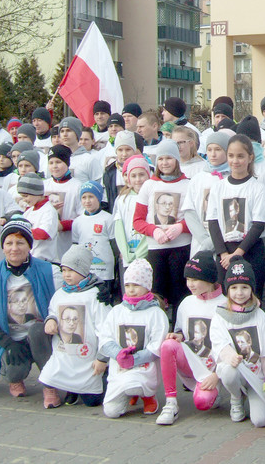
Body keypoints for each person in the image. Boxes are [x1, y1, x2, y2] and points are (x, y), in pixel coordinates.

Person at [0, 217, 55, 398]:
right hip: (12, 338)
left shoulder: (50, 270)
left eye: (20, 242)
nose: (14, 248)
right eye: (9, 243)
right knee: (13, 371)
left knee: (36, 330)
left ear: (29, 246)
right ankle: (15, 380)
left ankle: (50, 382)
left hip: (42, 335)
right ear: (2, 247)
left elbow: (74, 287)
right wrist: (7, 343)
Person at [34, 246, 110, 409]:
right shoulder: (60, 293)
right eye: (64, 270)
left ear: (83, 270)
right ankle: (71, 389)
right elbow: (53, 310)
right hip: (65, 353)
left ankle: (105, 378)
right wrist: (51, 320)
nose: (66, 275)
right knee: (49, 376)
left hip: (88, 358)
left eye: (72, 270)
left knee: (92, 402)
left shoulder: (95, 295)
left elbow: (106, 328)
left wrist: (102, 357)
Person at [156, 251, 226, 425]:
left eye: (195, 279)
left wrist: (217, 374)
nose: (190, 284)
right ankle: (171, 403)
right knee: (168, 345)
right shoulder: (186, 302)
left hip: (212, 369)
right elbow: (182, 331)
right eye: (188, 279)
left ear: (209, 279)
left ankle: (216, 392)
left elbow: (231, 345)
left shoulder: (225, 304)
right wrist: (177, 336)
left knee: (202, 403)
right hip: (190, 361)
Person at [97, 258, 169, 418]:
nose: (131, 290)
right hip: (120, 367)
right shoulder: (117, 311)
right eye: (128, 285)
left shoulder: (156, 313)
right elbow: (105, 338)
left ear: (147, 286)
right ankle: (130, 393)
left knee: (134, 385)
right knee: (111, 411)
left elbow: (156, 346)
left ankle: (147, 395)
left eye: (136, 285)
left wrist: (134, 359)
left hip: (143, 366)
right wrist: (118, 354)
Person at [210, 259, 265, 427]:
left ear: (252, 289)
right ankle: (236, 398)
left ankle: (252, 395)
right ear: (227, 290)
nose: (239, 293)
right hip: (235, 369)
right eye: (234, 288)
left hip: (256, 375)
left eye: (244, 287)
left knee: (260, 421)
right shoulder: (220, 315)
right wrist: (231, 356)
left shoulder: (259, 315)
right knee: (229, 372)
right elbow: (219, 343)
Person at [207, 135, 265, 297]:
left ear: (250, 158)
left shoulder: (258, 188)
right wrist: (223, 254)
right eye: (231, 156)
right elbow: (213, 222)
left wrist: (237, 254)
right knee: (226, 298)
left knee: (251, 298)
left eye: (240, 156)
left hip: (250, 250)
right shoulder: (218, 187)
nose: (235, 160)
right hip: (225, 252)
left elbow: (258, 225)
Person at [133, 139, 191, 310]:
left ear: (177, 160)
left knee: (180, 293)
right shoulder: (149, 185)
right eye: (161, 159)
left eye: (169, 158)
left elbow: (196, 219)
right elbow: (137, 221)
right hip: (156, 249)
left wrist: (181, 227)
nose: (165, 163)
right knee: (157, 294)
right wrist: (153, 230)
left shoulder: (188, 185)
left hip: (181, 247)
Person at [72, 181, 118, 294]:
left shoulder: (108, 218)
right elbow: (75, 246)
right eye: (84, 197)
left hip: (105, 271)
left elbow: (114, 244)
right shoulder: (77, 222)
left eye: (91, 197)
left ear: (98, 198)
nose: (87, 201)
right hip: (86, 271)